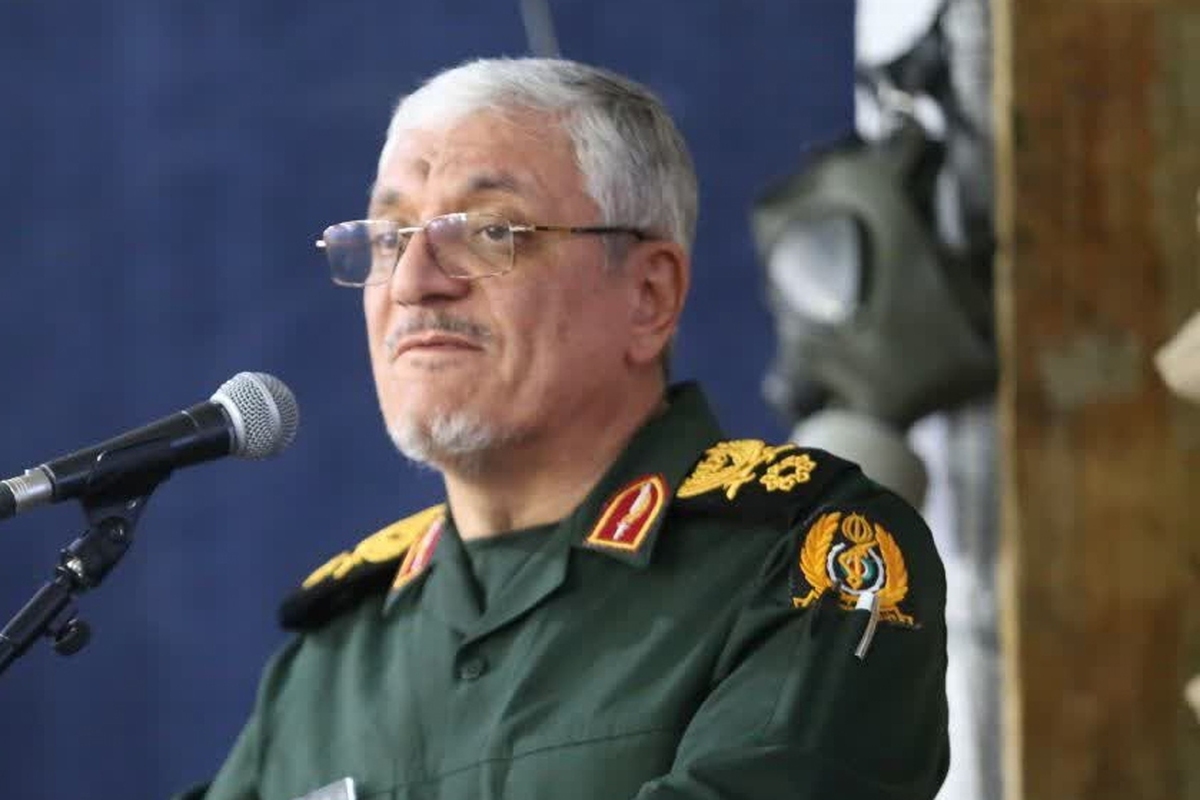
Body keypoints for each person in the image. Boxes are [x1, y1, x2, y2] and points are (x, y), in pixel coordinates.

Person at [180, 57, 949, 800]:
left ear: (648, 296)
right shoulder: (334, 654)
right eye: (388, 238)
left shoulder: (803, 560)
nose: (412, 283)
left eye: (488, 231)